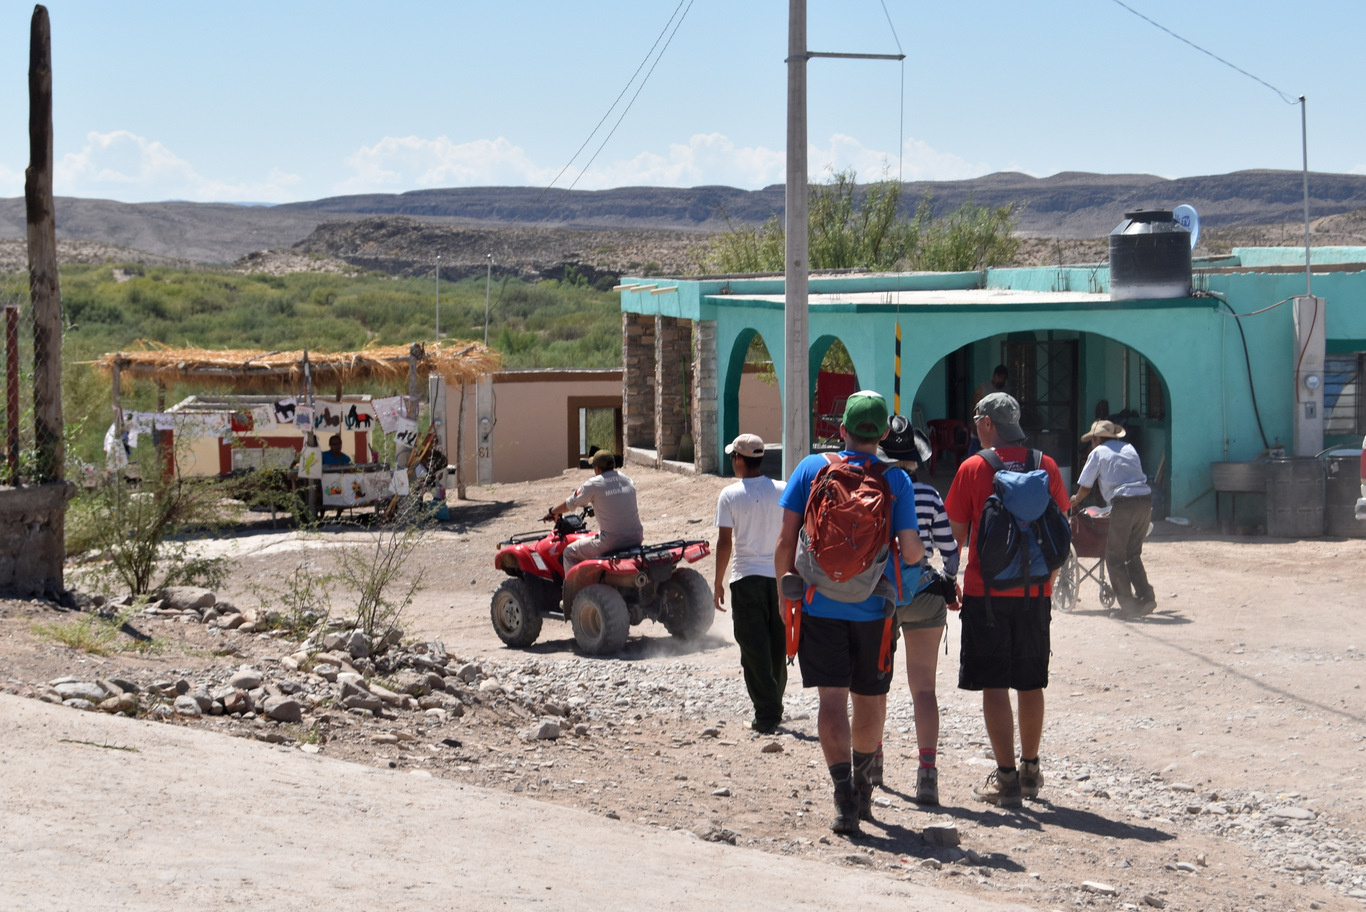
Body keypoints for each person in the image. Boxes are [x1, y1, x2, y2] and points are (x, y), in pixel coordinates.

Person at [774, 391, 924, 835]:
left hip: (819, 606)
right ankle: (863, 786)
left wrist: (786, 595)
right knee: (871, 700)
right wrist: (913, 569)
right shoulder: (896, 480)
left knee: (832, 701)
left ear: (841, 431)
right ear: (880, 435)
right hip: (874, 611)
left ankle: (842, 798)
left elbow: (785, 541)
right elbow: (911, 548)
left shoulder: (810, 469)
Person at [944, 392, 1068, 809]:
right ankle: (1031, 769)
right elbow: (1060, 529)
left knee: (995, 684)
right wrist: (1044, 577)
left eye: (978, 419)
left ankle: (1007, 779)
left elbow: (955, 537)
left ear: (987, 425)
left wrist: (948, 580)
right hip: (1036, 593)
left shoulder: (973, 468)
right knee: (1031, 681)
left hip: (987, 595)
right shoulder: (1045, 465)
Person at [875, 416, 960, 806]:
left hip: (880, 596)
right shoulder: (928, 495)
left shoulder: (874, 489)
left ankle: (872, 761)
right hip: (925, 593)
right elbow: (950, 548)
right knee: (923, 688)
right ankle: (927, 773)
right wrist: (948, 577)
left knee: (875, 685)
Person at [713, 433, 787, 735]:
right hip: (780, 580)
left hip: (746, 580)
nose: (732, 461)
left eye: (733, 456)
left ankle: (767, 714)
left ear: (741, 460)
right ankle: (773, 704)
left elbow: (724, 543)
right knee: (776, 648)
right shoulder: (782, 490)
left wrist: (717, 582)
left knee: (753, 650)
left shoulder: (730, 495)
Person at [1071, 419, 1155, 619]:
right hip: (1145, 501)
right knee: (1132, 553)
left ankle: (1128, 607)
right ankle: (1147, 597)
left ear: (1097, 439)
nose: (1091, 443)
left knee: (1115, 557)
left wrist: (1075, 501)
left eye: (1092, 440)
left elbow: (1085, 487)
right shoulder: (1128, 448)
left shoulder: (1098, 452)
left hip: (1124, 503)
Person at [549, 450, 644, 574]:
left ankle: (575, 592)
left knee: (569, 553)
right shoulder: (628, 480)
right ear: (613, 465)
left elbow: (571, 503)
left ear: (598, 469)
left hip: (611, 541)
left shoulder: (594, 483)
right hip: (636, 537)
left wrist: (553, 512)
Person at [969, 365, 1009, 455]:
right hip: (981, 425)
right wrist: (974, 424)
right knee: (974, 453)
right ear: (994, 376)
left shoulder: (1006, 391)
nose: (1001, 380)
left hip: (997, 429)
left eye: (1004, 378)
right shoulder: (983, 388)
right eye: (1000, 377)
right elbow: (974, 406)